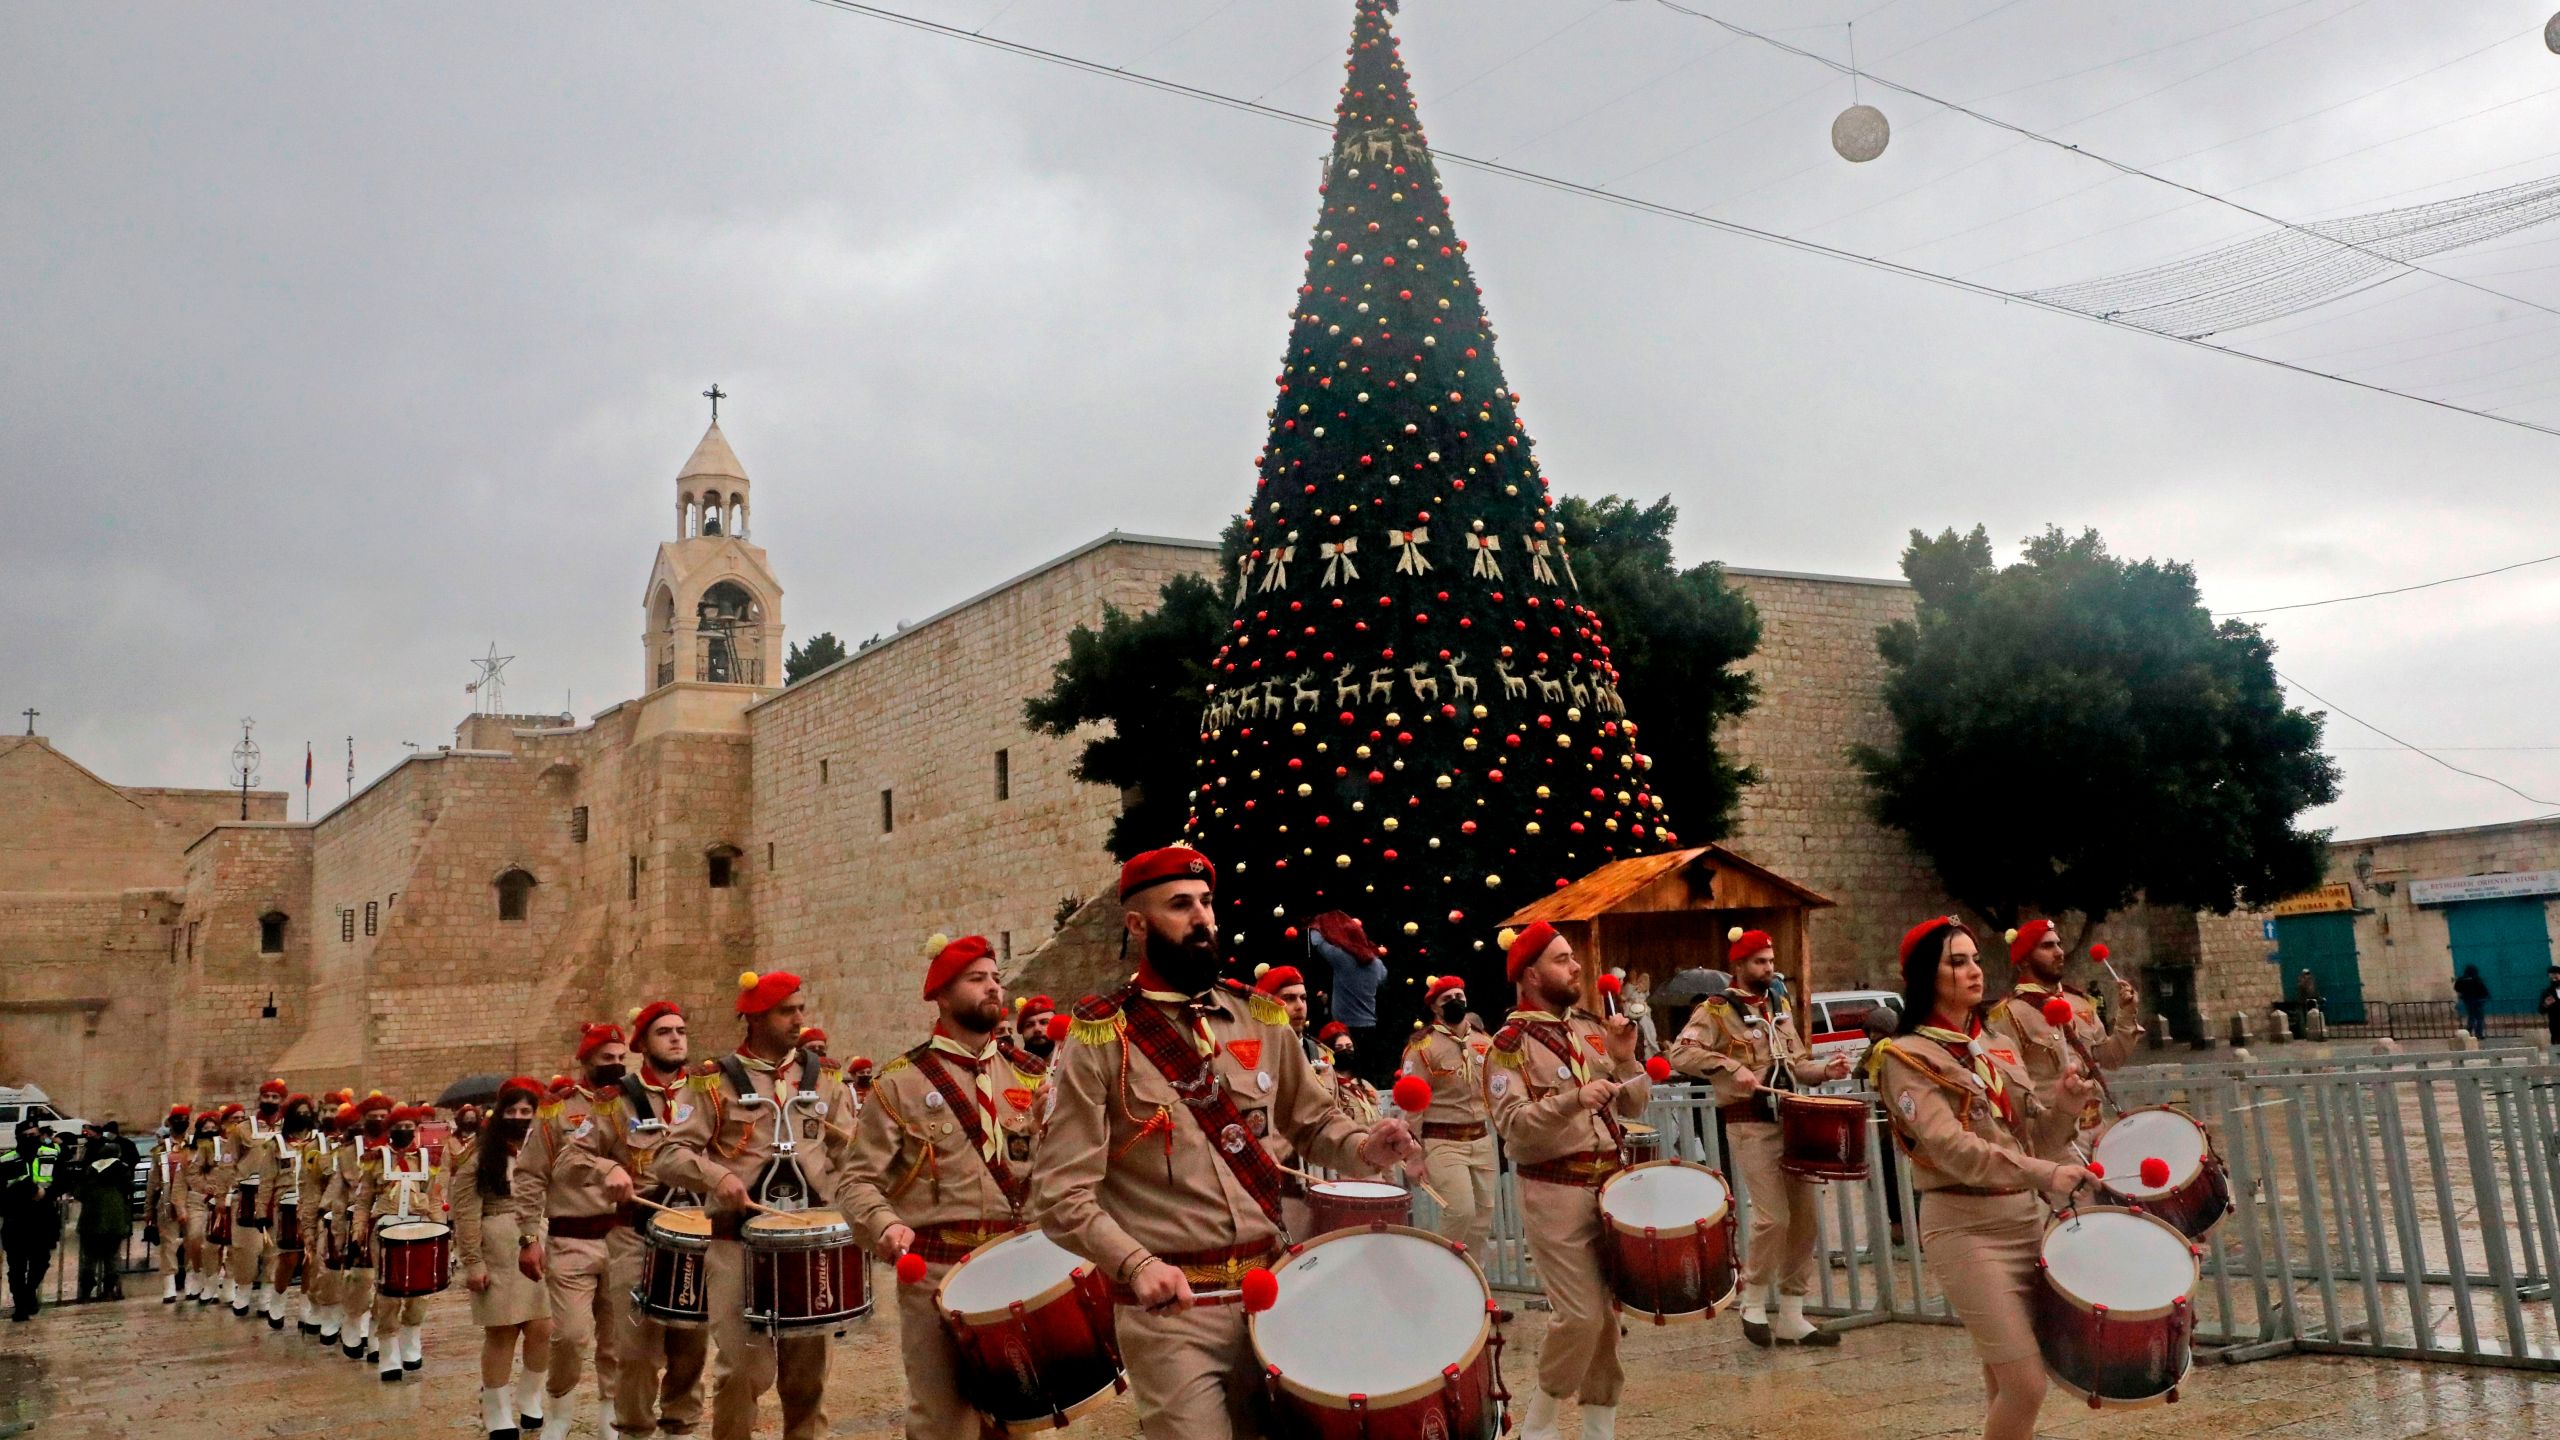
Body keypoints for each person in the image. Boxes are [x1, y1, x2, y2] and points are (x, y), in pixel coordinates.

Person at [1031, 846, 1418, 1439]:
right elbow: (1061, 1193)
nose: (1202, 919)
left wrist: (1368, 1145)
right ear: (1137, 924)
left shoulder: (1260, 1017)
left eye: (1207, 903)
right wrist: (1135, 1265)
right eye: (1180, 905)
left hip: (1273, 1293)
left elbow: (1313, 1122)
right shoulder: (1101, 1035)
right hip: (1172, 1310)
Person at [1873, 916, 2094, 1440]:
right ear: (1926, 974)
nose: (1974, 971)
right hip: (1965, 1228)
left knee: (2004, 1375)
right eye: (1957, 961)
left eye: (1975, 959)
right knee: (2026, 1383)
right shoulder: (1905, 1058)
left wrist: (2062, 1108)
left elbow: (2030, 1137)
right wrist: (2048, 1173)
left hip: (2024, 1219)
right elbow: (1953, 1149)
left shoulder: (1995, 1042)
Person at [838, 934, 1048, 1440]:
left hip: (1017, 1267)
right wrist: (884, 1224)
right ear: (942, 996)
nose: (993, 988)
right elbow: (856, 1180)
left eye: (996, 978)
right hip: (935, 1272)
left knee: (1021, 1421)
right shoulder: (900, 1082)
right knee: (942, 1420)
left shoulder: (1033, 1076)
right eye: (977, 980)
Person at [652, 970, 857, 1440]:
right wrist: (716, 1175)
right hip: (737, 1244)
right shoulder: (712, 1083)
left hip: (809, 1247)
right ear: (755, 1018)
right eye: (787, 1011)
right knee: (741, 1373)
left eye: (800, 1009)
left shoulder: (824, 1078)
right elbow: (669, 1154)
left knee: (809, 1381)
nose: (799, 1020)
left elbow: (851, 1156)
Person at [1485, 921, 1651, 1440]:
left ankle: (1600, 1425)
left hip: (1608, 1187)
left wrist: (1624, 1058)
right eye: (1561, 960)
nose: (1576, 966)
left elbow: (1635, 1102)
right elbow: (1511, 1123)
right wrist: (1572, 1099)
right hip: (1554, 1189)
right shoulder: (1507, 1045)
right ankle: (1540, 1422)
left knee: (1607, 1320)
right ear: (1530, 974)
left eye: (1572, 957)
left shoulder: (1584, 1031)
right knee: (1580, 1314)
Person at [1667, 926, 1851, 1347]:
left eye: (1770, 961)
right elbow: (1680, 1052)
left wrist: (1825, 1071)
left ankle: (1792, 1313)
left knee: (1805, 1219)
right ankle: (1752, 1299)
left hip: (1793, 1118)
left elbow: (1798, 1062)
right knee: (1774, 1217)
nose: (1769, 968)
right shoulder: (1716, 1010)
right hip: (1749, 1121)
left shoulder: (1778, 1005)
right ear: (1739, 965)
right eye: (1760, 962)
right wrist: (1731, 1069)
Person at [572, 1000, 711, 1440]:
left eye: (681, 1031)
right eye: (664, 1031)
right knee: (636, 1350)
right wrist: (606, 1168)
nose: (676, 1038)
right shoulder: (615, 1102)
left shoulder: (709, 1093)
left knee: (692, 1345)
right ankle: (633, 1430)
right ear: (643, 1044)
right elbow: (571, 1158)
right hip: (636, 1233)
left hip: (697, 1231)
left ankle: (681, 1428)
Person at [516, 1022, 629, 1439]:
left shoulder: (634, 1105)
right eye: (607, 1059)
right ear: (585, 1061)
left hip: (622, 1238)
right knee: (570, 1336)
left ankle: (609, 1418)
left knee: (618, 1341)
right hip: (571, 1239)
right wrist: (529, 1237)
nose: (616, 1066)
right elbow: (529, 1176)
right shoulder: (557, 1110)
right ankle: (560, 1410)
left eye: (621, 1059)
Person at [1983, 920, 2140, 1160]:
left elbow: (2111, 1058)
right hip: (2057, 1142)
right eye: (2047, 946)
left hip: (2098, 1130)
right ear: (2024, 959)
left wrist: (2126, 1014)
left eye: (2059, 944)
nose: (2059, 951)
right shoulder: (2009, 1014)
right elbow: (2006, 1087)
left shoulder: (2079, 1002)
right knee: (2081, 1198)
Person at [455, 1077, 552, 1440]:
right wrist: (472, 1262)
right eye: (512, 1111)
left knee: (542, 1328)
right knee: (503, 1331)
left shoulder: (546, 1149)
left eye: (527, 1111)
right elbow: (466, 1213)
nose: (520, 1117)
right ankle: (495, 1406)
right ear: (499, 1115)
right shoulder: (480, 1157)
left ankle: (530, 1396)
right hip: (497, 1248)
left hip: (540, 1241)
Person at [1401, 973, 1498, 1256]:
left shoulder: (1484, 1041)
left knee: (1482, 1220)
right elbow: (1413, 1105)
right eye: (1447, 999)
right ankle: (1438, 1267)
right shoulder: (1422, 1047)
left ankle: (1473, 1283)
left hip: (1480, 1139)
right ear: (1435, 1007)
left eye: (1459, 997)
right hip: (1442, 1140)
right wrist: (1413, 1155)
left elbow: (1497, 1090)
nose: (1455, 1002)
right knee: (1460, 1211)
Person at [357, 1103, 447, 1381]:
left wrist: (441, 1230)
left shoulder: (426, 1159)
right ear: (390, 1129)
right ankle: (388, 1351)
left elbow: (432, 1196)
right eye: (400, 1127)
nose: (406, 1131)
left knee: (420, 1292)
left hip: (419, 1227)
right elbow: (363, 1198)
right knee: (388, 1293)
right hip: (385, 1228)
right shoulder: (376, 1157)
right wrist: (358, 1228)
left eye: (411, 1127)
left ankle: (411, 1339)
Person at [326, 1092, 395, 1362]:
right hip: (359, 1219)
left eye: (383, 1117)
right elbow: (339, 1192)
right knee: (361, 1279)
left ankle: (380, 1331)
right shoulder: (347, 1153)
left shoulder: (399, 1150)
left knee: (388, 1282)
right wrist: (339, 1227)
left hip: (390, 1221)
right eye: (373, 1117)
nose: (379, 1121)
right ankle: (353, 1322)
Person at [225, 1078, 288, 1320]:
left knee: (273, 1250)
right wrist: (224, 1193)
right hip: (248, 1194)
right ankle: (243, 1289)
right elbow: (229, 1162)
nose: (271, 1101)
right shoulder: (243, 1128)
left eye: (276, 1097)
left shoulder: (287, 1129)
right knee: (246, 1249)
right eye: (267, 1096)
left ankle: (266, 1296)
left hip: (277, 1194)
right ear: (260, 1098)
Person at [1306, 910, 1389, 1082]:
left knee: (1343, 1076)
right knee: (1365, 1077)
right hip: (1370, 1026)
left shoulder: (1342, 958)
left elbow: (1318, 943)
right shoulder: (1377, 964)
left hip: (1344, 1030)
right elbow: (1382, 979)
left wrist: (1316, 925)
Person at [259, 1093, 319, 1329]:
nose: (303, 1117)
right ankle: (278, 1299)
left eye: (306, 1113)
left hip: (311, 1204)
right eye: (298, 1113)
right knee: (288, 1258)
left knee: (310, 1259)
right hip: (286, 1203)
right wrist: (261, 1211)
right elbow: (266, 1181)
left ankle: (305, 1307)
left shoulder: (318, 1143)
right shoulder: (276, 1144)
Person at [2, 1120, 66, 1321]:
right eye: (26, 1135)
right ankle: (21, 1306)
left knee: (41, 1261)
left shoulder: (51, 1154)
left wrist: (45, 1193)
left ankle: (29, 1293)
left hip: (43, 1217)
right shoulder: (7, 1160)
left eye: (34, 1135)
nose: (30, 1139)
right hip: (16, 1219)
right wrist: (19, 1194)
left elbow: (64, 1181)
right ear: (18, 1137)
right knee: (17, 1267)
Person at [296, 1100, 348, 1344]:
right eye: (326, 1110)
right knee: (323, 1266)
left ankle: (347, 1316)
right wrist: (308, 1223)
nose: (331, 1115)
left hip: (351, 1213)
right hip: (324, 1213)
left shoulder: (357, 1145)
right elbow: (310, 1187)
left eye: (335, 1110)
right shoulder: (314, 1148)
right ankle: (322, 1308)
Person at [185, 1105, 238, 1310]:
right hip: (211, 1201)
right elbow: (192, 1172)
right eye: (233, 1118)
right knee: (208, 1243)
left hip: (236, 1199)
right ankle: (210, 1279)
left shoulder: (245, 1144)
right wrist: (205, 1187)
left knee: (235, 1245)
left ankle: (230, 1283)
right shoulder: (209, 1146)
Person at [146, 1105, 192, 1303]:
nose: (182, 1122)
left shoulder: (196, 1145)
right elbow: (153, 1180)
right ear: (171, 1123)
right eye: (178, 1118)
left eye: (185, 1118)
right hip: (166, 1198)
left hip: (191, 1198)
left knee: (193, 1241)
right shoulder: (160, 1149)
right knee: (168, 1244)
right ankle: (169, 1286)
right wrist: (148, 1209)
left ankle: (192, 1281)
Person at [2457, 965, 2491, 1040]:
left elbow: (2456, 987)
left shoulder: (2462, 979)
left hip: (2467, 1000)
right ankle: (2478, 1034)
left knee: (2471, 1016)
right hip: (2478, 1000)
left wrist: (2464, 993)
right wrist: (2486, 995)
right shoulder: (2476, 979)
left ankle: (2468, 1033)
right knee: (2479, 1018)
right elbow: (2482, 988)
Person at [2539, 965, 2560, 1046]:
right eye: (2552, 978)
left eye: (2556, 978)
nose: (2554, 980)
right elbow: (2541, 1010)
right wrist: (2546, 1004)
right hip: (2556, 1028)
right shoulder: (2547, 992)